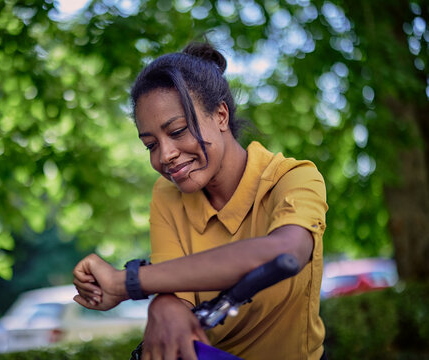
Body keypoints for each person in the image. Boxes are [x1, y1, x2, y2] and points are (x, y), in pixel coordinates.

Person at [72, 42, 328, 360]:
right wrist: (164, 303)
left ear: (220, 115)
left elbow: (287, 253)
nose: (165, 155)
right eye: (150, 144)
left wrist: (127, 282)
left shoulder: (292, 178)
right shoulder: (166, 195)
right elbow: (175, 292)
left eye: (178, 131)